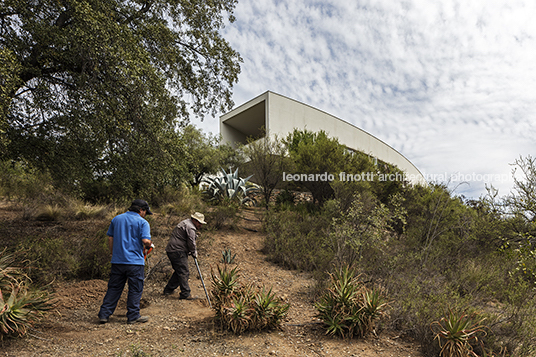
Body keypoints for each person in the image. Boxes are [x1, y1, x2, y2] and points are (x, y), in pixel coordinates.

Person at [98, 199, 153, 324]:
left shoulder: (116, 219)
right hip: (135, 262)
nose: (145, 214)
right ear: (141, 210)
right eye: (145, 212)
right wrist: (150, 245)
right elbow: (145, 241)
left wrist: (112, 253)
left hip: (117, 261)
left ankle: (104, 314)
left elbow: (110, 238)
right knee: (135, 289)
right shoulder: (143, 222)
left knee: (114, 288)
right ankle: (133, 316)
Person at [163, 212, 207, 299]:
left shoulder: (186, 223)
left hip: (173, 249)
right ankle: (185, 293)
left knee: (179, 271)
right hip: (177, 251)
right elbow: (191, 242)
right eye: (199, 223)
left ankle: (168, 289)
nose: (200, 225)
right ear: (194, 220)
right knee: (183, 271)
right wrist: (194, 252)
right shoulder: (190, 227)